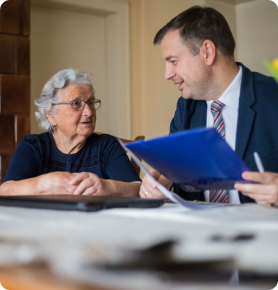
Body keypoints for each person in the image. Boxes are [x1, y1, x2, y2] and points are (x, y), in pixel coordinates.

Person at [139, 5, 278, 205]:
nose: (167, 74)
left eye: (173, 61)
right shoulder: (185, 108)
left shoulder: (273, 96)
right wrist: (161, 187)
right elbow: (177, 180)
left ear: (207, 52)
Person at [0, 69, 141, 196]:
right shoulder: (33, 146)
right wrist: (42, 184)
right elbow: (5, 190)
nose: (89, 112)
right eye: (76, 103)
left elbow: (138, 188)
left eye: (91, 102)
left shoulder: (107, 146)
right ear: (51, 115)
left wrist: (108, 186)